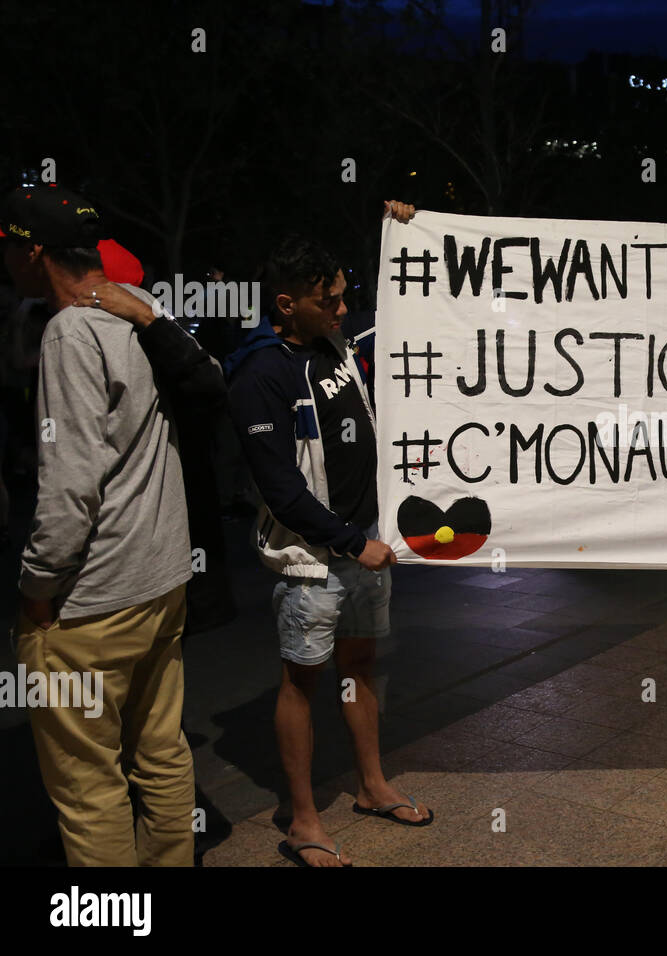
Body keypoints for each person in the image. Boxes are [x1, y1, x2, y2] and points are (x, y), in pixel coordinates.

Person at [1, 185, 202, 865]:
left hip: (92, 604)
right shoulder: (139, 317)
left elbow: (69, 492)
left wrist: (35, 587)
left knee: (89, 792)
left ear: (32, 252)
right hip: (162, 578)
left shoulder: (69, 332)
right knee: (162, 754)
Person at [226, 202, 430, 868]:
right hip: (314, 560)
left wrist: (402, 225)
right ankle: (304, 820)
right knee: (301, 683)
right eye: (327, 300)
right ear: (286, 305)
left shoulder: (333, 341)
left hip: (362, 540)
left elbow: (409, 313)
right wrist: (351, 541)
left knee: (362, 666)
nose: (342, 309)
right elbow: (280, 491)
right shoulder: (260, 376)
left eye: (344, 295)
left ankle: (372, 786)